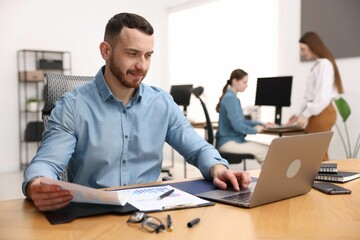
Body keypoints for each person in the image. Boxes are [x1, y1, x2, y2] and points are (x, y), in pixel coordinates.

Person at [22, 13, 251, 212]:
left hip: (152, 212)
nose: (142, 65)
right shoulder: (72, 106)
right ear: (106, 51)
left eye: (148, 55)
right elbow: (46, 164)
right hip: (93, 214)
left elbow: (198, 148)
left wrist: (217, 168)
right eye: (132, 53)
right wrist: (37, 185)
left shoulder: (161, 103)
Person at [287, 31, 344, 161]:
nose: (302, 53)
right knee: (313, 155)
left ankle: (325, 181)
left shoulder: (324, 64)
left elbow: (321, 98)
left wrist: (305, 114)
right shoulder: (318, 65)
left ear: (313, 46)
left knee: (318, 156)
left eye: (303, 49)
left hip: (322, 112)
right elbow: (309, 96)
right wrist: (298, 114)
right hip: (317, 112)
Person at [215, 69, 274, 164]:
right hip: (228, 143)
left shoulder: (232, 97)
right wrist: (255, 130)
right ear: (235, 81)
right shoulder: (230, 98)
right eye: (244, 82)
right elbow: (238, 125)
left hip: (234, 141)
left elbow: (241, 121)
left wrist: (261, 124)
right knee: (268, 151)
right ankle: (269, 178)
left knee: (270, 149)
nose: (246, 85)